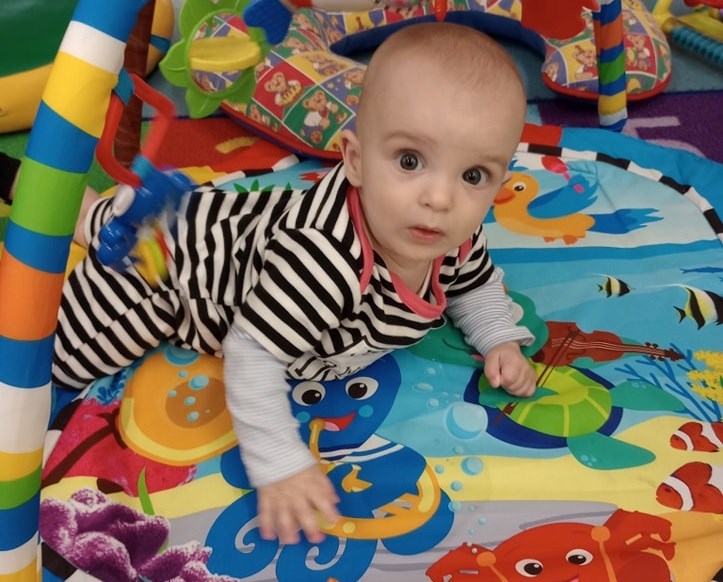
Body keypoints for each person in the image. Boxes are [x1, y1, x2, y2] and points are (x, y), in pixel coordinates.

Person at [52, 22, 536, 546]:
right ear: (354, 159)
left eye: (473, 176)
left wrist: (498, 337)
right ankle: (93, 219)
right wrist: (279, 464)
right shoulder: (324, 262)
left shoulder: (450, 232)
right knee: (55, 360)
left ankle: (97, 214)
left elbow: (475, 281)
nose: (440, 198)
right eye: (409, 161)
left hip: (244, 228)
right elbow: (252, 353)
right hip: (175, 279)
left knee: (182, 218)